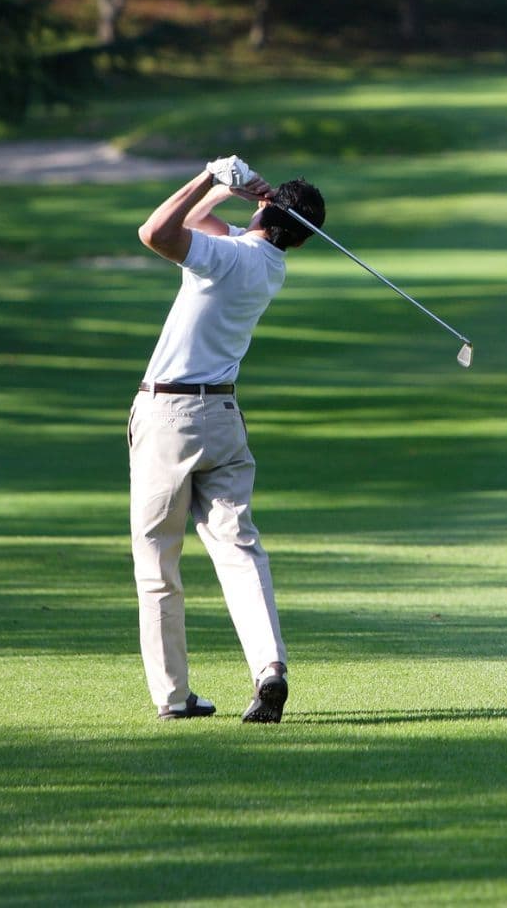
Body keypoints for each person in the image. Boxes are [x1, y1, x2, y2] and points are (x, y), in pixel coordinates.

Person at [129, 156, 323, 723]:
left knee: (158, 562)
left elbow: (156, 232)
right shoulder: (267, 264)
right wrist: (239, 196)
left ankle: (173, 697)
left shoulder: (227, 259)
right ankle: (269, 668)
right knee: (239, 550)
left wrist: (207, 180)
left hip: (169, 416)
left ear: (267, 211)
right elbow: (208, 229)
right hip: (224, 420)